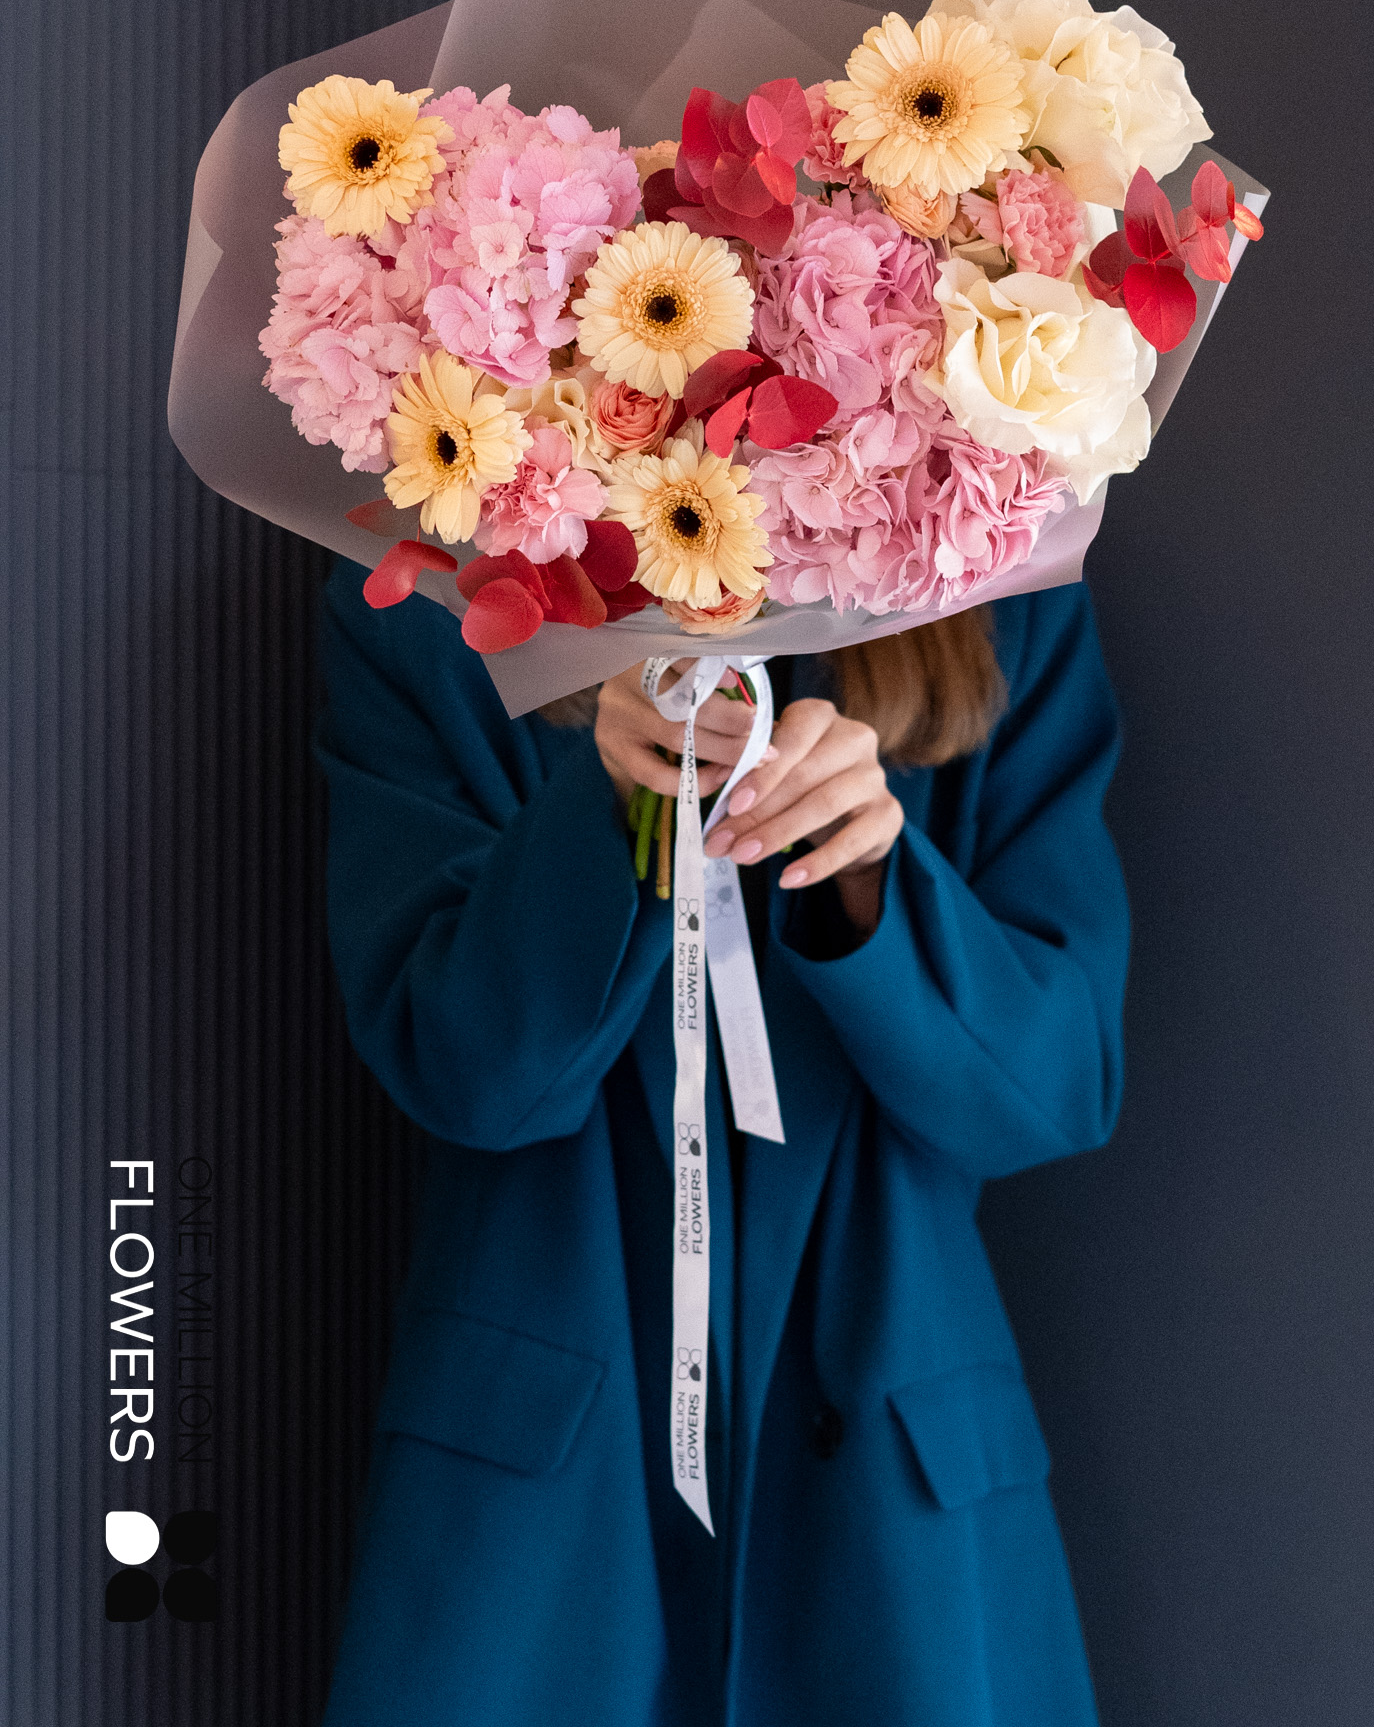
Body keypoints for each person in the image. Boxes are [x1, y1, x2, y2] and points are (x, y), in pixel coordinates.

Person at [314, 555, 1130, 1727]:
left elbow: (1054, 1088)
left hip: (896, 1486)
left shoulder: (999, 579)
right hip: (547, 1511)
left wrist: (875, 874)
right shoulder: (427, 590)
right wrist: (609, 810)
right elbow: (466, 1069)